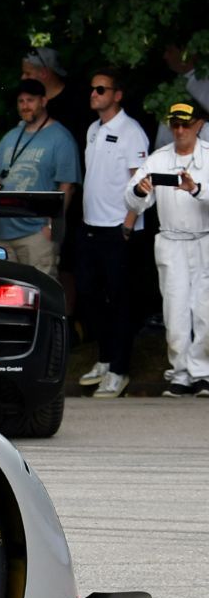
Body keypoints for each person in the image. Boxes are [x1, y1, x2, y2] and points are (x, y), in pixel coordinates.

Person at [122, 103, 209, 398]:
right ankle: (180, 374)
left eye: (186, 124)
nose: (180, 130)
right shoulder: (159, 159)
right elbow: (132, 199)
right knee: (175, 310)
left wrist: (195, 189)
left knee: (204, 311)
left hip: (204, 240)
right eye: (175, 124)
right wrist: (140, 191)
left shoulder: (208, 157)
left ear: (198, 125)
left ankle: (202, 373)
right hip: (171, 241)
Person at [73, 69, 151, 396]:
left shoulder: (131, 131)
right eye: (92, 89)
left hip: (118, 229)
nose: (94, 94)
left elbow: (142, 183)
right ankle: (105, 359)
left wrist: (129, 225)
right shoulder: (93, 129)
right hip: (91, 225)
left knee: (119, 300)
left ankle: (120, 369)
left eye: (101, 89)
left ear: (117, 95)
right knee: (90, 297)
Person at [0, 79, 80, 277]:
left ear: (44, 101)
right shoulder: (10, 136)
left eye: (30, 100)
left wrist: (51, 228)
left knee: (41, 295)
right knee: (6, 296)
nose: (25, 106)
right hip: (3, 234)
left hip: (37, 234)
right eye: (21, 101)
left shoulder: (60, 138)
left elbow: (67, 187)